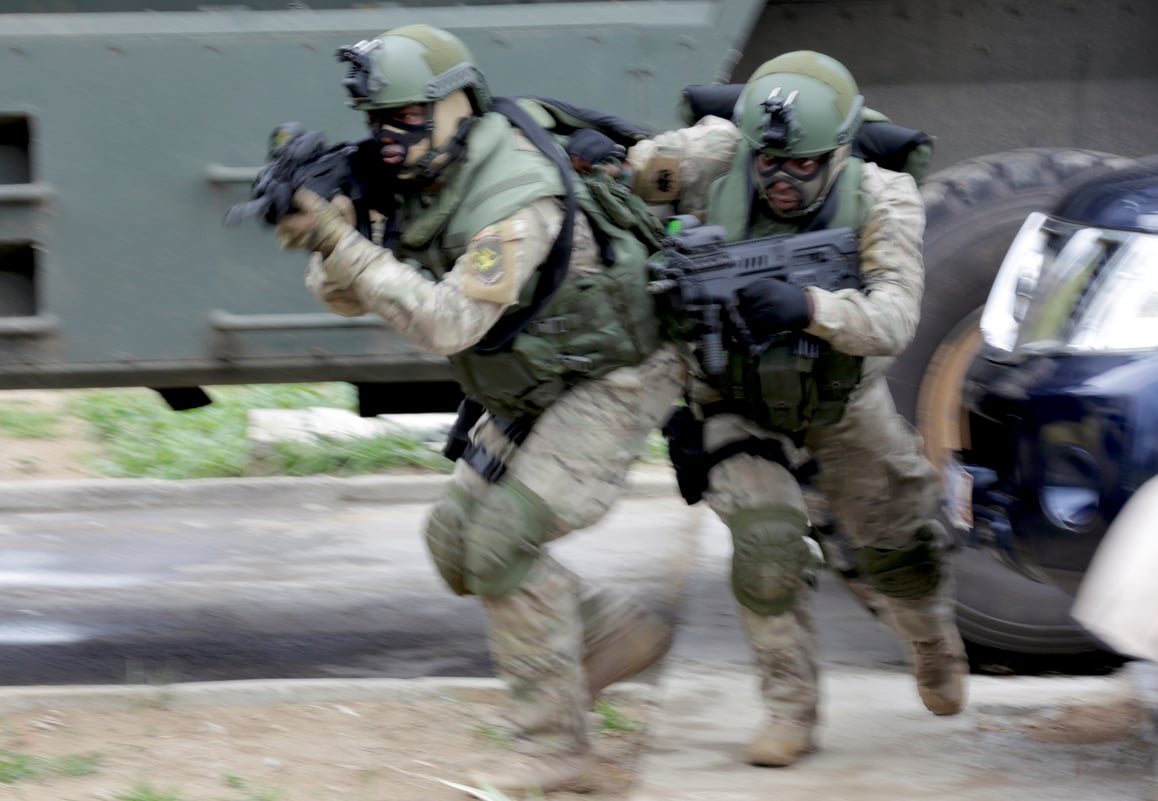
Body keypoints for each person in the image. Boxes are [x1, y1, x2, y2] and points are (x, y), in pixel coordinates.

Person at [272, 24, 691, 793]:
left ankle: (555, 751)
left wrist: (344, 241)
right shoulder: (415, 174)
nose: (387, 139)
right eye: (377, 122)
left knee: (501, 546)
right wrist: (333, 237)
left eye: (403, 119)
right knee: (453, 546)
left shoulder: (515, 195)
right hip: (530, 377)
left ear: (455, 105)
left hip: (614, 375)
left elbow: (445, 323)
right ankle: (611, 634)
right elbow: (341, 296)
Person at [626, 50, 968, 767]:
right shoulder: (718, 155)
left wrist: (807, 307)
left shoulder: (884, 196)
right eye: (770, 164)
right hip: (733, 398)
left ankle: (930, 640)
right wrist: (604, 161)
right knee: (766, 547)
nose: (782, 179)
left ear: (839, 152)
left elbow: (895, 318)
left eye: (804, 166)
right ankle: (790, 707)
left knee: (900, 550)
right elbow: (632, 175)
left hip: (842, 400)